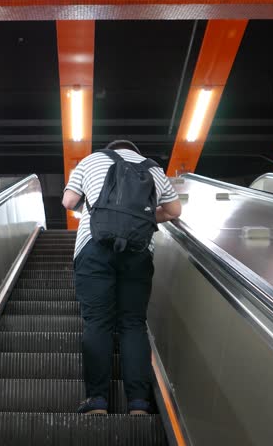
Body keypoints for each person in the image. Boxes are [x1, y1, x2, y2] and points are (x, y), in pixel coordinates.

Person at [62, 139, 181, 415]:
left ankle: (97, 402)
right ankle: (139, 403)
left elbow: (68, 201)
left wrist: (93, 211)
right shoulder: (153, 169)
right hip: (139, 251)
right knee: (133, 324)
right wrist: (147, 220)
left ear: (110, 148)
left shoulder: (90, 161)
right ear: (135, 152)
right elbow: (175, 211)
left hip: (94, 247)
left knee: (97, 322)